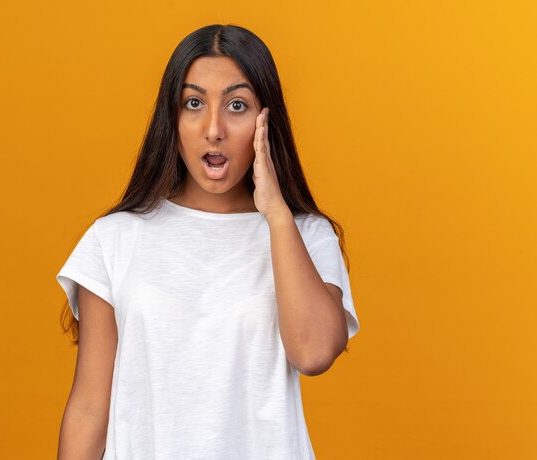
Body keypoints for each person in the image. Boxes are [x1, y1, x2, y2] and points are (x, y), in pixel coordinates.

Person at [55, 23, 360, 460]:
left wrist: (275, 213)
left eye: (237, 105)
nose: (213, 128)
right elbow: (88, 408)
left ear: (266, 120)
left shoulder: (304, 235)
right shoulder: (115, 239)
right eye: (193, 103)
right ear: (172, 118)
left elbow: (312, 353)